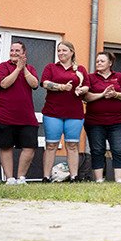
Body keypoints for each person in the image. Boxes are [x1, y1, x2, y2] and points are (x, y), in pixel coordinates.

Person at [0, 42, 39, 185]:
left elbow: (34, 84)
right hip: (4, 114)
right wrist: (17, 69)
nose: (13, 52)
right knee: (6, 146)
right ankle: (10, 178)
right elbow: (4, 84)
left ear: (24, 53)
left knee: (29, 147)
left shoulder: (30, 68)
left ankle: (21, 177)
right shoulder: (3, 67)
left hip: (26, 116)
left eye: (17, 50)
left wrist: (23, 69)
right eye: (11, 50)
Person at [39, 41, 89, 183]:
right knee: (51, 145)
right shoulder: (51, 67)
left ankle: (74, 176)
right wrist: (61, 87)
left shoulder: (80, 69)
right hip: (52, 112)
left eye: (64, 50)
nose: (60, 53)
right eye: (59, 50)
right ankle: (46, 177)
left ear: (72, 52)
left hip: (74, 113)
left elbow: (87, 86)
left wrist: (81, 90)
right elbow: (44, 83)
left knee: (72, 145)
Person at [84, 51, 121, 183]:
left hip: (116, 122)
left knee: (119, 149)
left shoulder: (119, 76)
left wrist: (115, 94)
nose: (98, 63)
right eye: (97, 61)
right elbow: (86, 97)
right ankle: (99, 179)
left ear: (110, 63)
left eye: (102, 61)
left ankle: (119, 179)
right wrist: (102, 94)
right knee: (97, 150)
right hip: (94, 122)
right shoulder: (90, 77)